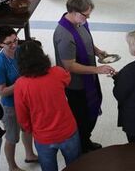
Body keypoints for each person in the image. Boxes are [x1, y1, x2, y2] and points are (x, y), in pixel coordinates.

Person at [53, 0, 115, 153]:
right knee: (82, 118)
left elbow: (86, 40)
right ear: (74, 12)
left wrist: (98, 51)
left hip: (88, 77)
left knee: (91, 110)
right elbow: (69, 66)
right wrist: (97, 70)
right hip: (77, 85)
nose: (88, 18)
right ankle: (82, 145)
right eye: (86, 15)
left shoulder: (79, 23)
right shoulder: (64, 35)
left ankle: (85, 140)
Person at [14, 41, 81, 171]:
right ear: (42, 56)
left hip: (43, 136)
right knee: (75, 166)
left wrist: (29, 128)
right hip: (67, 130)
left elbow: (22, 116)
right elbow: (67, 80)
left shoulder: (20, 85)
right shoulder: (58, 72)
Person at [0, 26, 38, 171]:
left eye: (15, 40)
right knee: (12, 138)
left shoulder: (19, 52)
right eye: (9, 43)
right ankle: (12, 167)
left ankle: (30, 154)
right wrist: (21, 82)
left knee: (27, 129)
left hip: (25, 101)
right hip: (10, 106)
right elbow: (3, 91)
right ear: (0, 44)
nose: (14, 45)